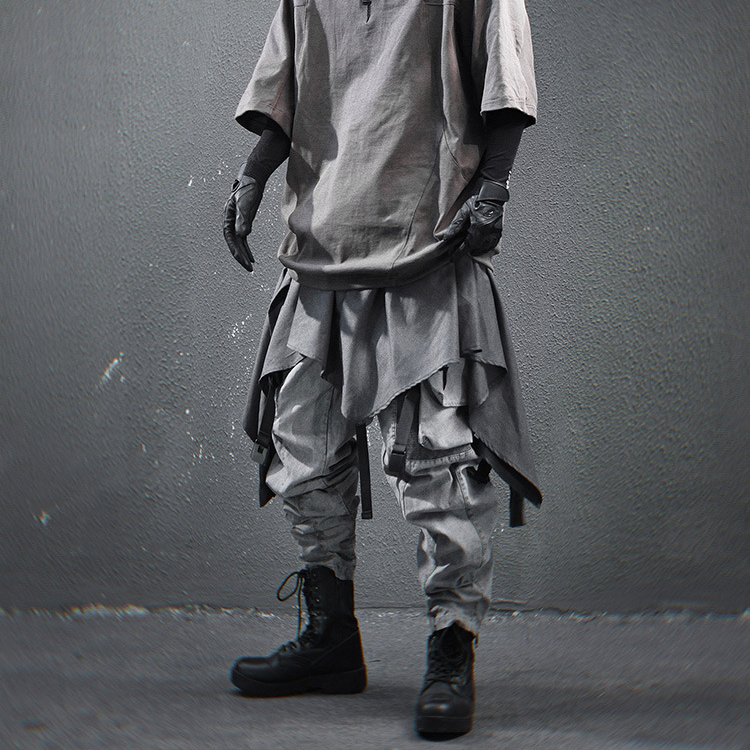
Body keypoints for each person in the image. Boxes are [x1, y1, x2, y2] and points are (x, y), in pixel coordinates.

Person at [222, 0, 542, 736]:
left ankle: (452, 646)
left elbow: (506, 86)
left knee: (440, 466)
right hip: (320, 247)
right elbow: (283, 92)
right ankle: (330, 637)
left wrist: (493, 188)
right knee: (303, 455)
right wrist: (252, 177)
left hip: (423, 247)